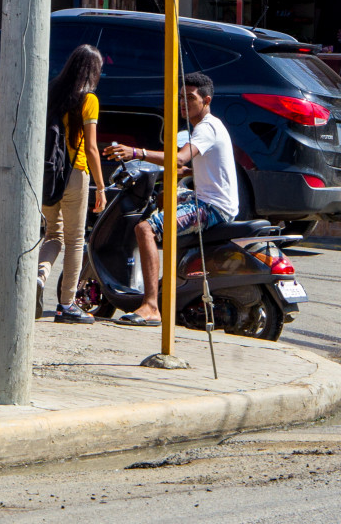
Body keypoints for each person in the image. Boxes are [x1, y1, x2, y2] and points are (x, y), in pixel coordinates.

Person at [102, 73, 239, 325]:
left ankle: (151, 305)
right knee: (165, 199)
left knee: (145, 229)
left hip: (211, 207)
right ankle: (172, 280)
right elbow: (196, 166)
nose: (184, 103)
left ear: (207, 100)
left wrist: (137, 152)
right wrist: (183, 172)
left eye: (191, 98)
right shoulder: (207, 127)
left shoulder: (206, 127)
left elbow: (178, 158)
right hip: (209, 199)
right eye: (181, 97)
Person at [38, 45, 107, 324]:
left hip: (48, 174)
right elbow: (91, 148)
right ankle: (66, 305)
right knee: (75, 240)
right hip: (75, 175)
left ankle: (38, 278)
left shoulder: (52, 91)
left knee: (52, 235)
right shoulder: (88, 100)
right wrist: (101, 186)